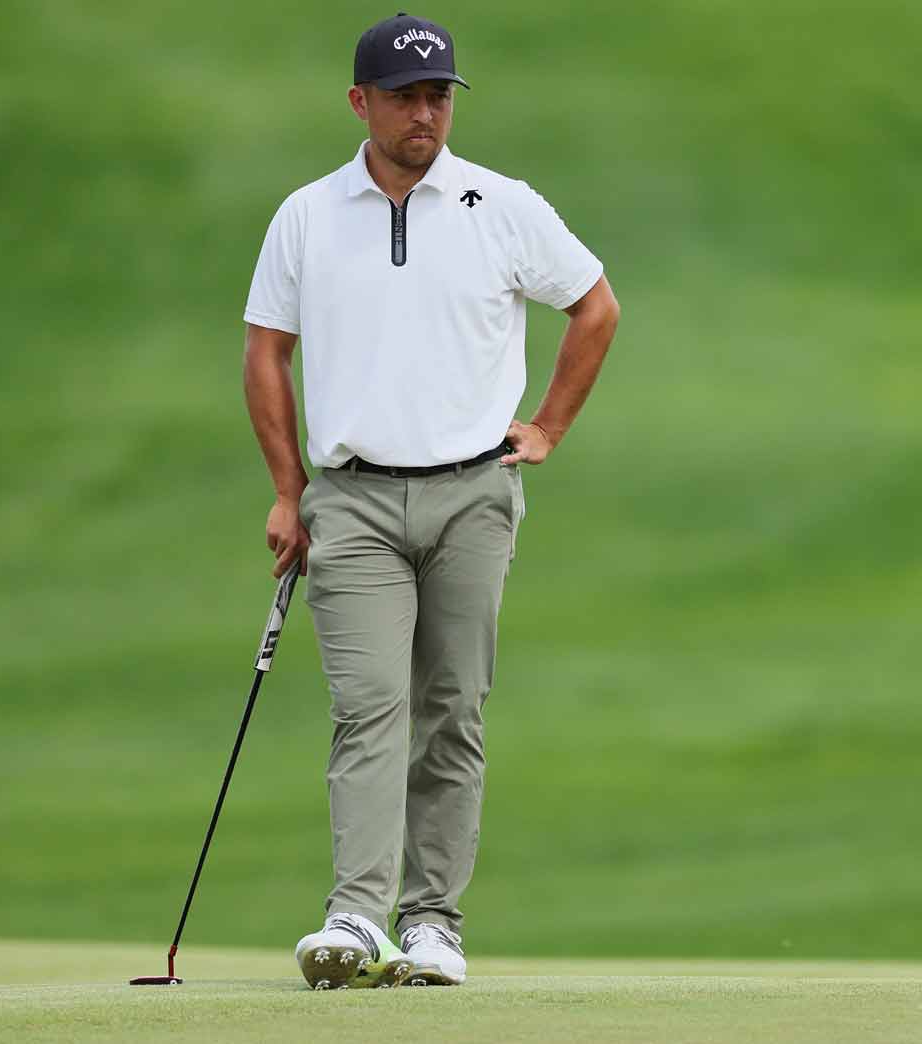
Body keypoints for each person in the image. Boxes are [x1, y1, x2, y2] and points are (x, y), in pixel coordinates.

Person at [241, 11, 620, 989]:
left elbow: (594, 304)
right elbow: (265, 352)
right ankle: (356, 917)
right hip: (352, 501)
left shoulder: (501, 205)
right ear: (360, 102)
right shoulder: (308, 216)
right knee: (370, 705)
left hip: (471, 495)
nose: (425, 114)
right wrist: (289, 494)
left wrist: (547, 429)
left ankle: (432, 925)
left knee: (451, 707)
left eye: (439, 95)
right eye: (406, 97)